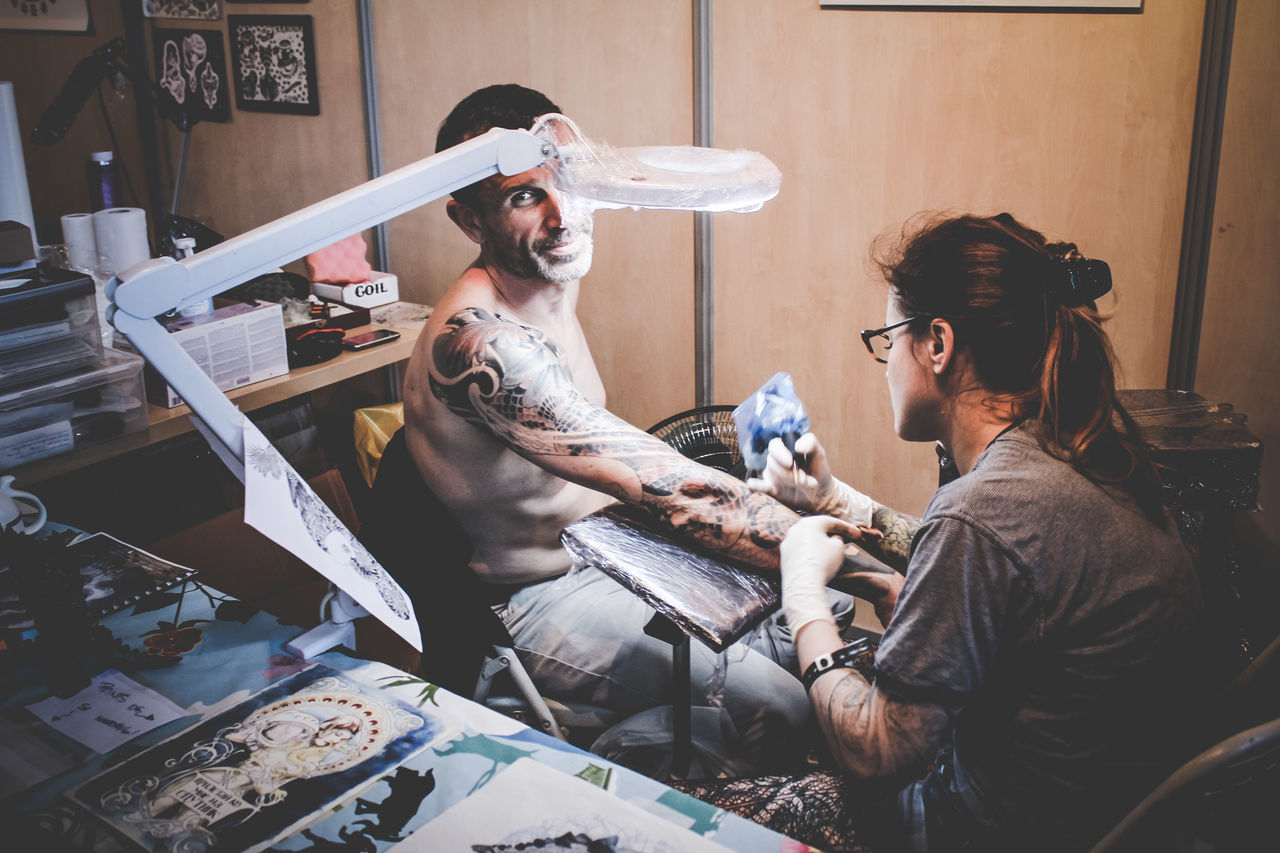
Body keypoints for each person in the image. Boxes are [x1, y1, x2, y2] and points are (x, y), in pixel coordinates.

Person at [675, 212, 1205, 851]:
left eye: (888, 337)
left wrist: (804, 600)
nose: (887, 361)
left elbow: (878, 750)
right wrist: (833, 504)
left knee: (683, 815)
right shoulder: (1078, 451)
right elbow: (992, 587)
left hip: (992, 830)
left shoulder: (981, 513)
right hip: (1111, 812)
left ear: (938, 345)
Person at [393, 84, 865, 769]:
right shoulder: (481, 344)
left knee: (819, 623)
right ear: (469, 221)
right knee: (786, 706)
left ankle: (674, 715)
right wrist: (871, 567)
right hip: (536, 595)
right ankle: (619, 755)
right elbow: (665, 485)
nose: (562, 216)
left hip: (615, 551)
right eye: (526, 197)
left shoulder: (549, 268)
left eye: (570, 182)